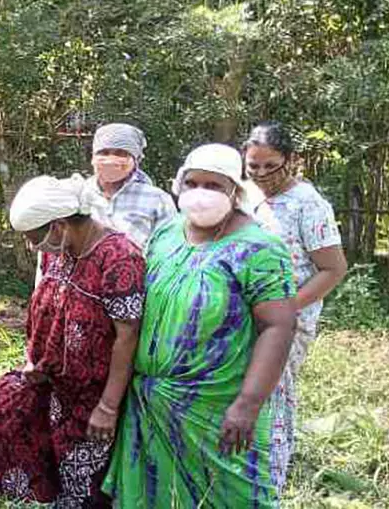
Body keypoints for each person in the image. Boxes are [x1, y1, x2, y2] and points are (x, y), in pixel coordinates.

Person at [104, 144, 297, 508]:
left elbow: (279, 327)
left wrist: (248, 403)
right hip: (152, 403)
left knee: (229, 496)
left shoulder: (259, 249)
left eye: (214, 185)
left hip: (217, 407)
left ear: (235, 191)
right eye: (192, 182)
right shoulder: (166, 234)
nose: (200, 193)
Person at [0, 175, 146, 508]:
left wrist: (107, 407)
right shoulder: (59, 251)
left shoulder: (119, 257)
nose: (34, 247)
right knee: (1, 413)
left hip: (92, 397)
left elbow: (127, 336)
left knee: (83, 485)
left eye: (35, 238)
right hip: (52, 384)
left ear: (59, 225)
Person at [243, 121, 348, 488]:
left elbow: (333, 269)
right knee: (248, 391)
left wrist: (288, 308)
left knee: (275, 390)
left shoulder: (308, 203)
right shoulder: (248, 195)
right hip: (248, 318)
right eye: (252, 166)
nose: (260, 174)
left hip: (288, 321)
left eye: (269, 166)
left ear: (291, 161)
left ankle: (273, 476)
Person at [82, 123, 175, 249]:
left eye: (120, 153)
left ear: (135, 160)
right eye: (104, 152)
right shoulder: (78, 193)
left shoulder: (157, 199)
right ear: (93, 157)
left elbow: (168, 248)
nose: (110, 159)